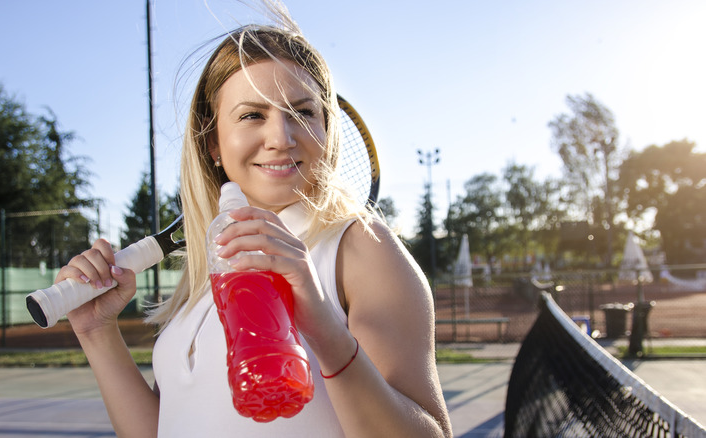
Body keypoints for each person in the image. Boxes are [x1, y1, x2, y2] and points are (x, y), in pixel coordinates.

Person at [55, 10, 452, 438]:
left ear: (327, 130)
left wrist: (323, 329)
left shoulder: (361, 247)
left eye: (302, 112)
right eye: (252, 115)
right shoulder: (217, 266)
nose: (281, 137)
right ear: (213, 143)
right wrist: (97, 332)